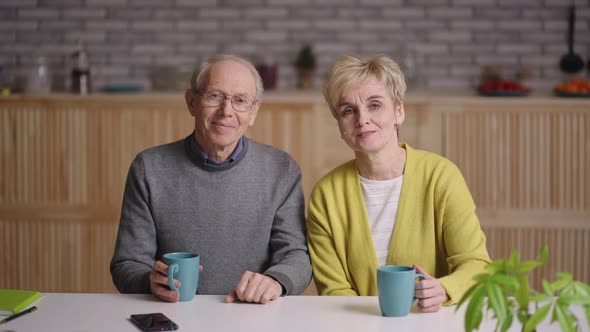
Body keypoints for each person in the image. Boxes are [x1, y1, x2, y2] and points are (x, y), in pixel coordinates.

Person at [111, 54, 312, 304]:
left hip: (253, 315)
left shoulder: (282, 169)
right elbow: (126, 263)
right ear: (191, 102)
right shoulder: (148, 168)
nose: (226, 111)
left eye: (240, 101)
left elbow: (296, 255)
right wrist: (148, 282)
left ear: (253, 113)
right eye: (214, 96)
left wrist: (276, 281)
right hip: (175, 314)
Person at [306, 54, 491, 312]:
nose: (362, 120)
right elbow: (335, 291)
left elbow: (477, 264)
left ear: (399, 111)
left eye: (374, 105)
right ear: (340, 124)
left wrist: (445, 288)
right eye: (348, 110)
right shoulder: (325, 195)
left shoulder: (442, 176)